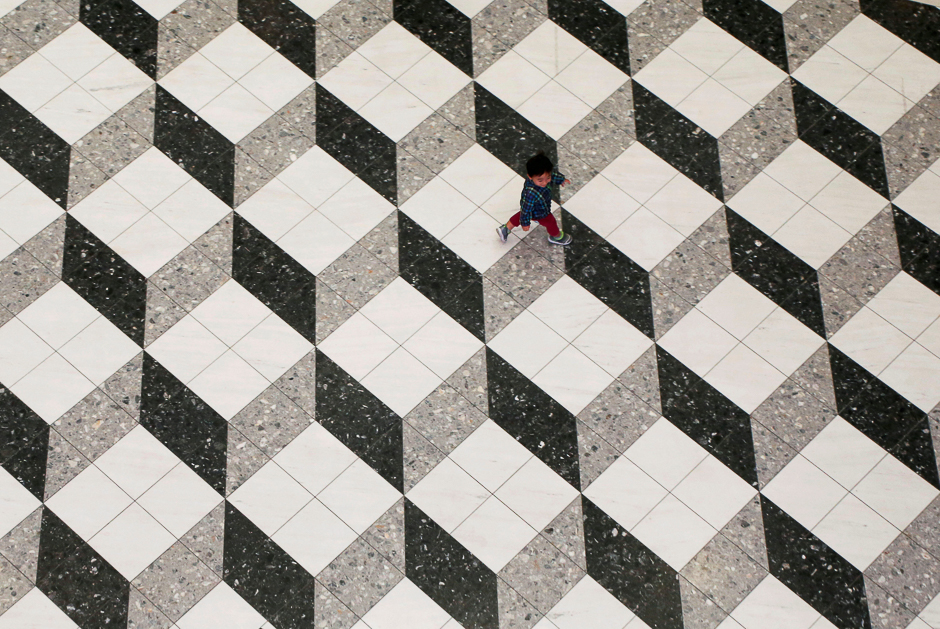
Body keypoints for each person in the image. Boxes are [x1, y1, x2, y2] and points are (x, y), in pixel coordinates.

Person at [496, 152, 572, 246]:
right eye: (540, 180)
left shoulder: (543, 176)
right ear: (530, 177)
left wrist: (561, 180)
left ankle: (505, 228)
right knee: (550, 222)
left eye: (547, 178)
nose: (544, 182)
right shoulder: (530, 193)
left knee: (523, 214)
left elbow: (553, 176)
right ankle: (556, 236)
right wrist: (525, 223)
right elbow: (525, 209)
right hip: (540, 212)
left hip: (538, 205)